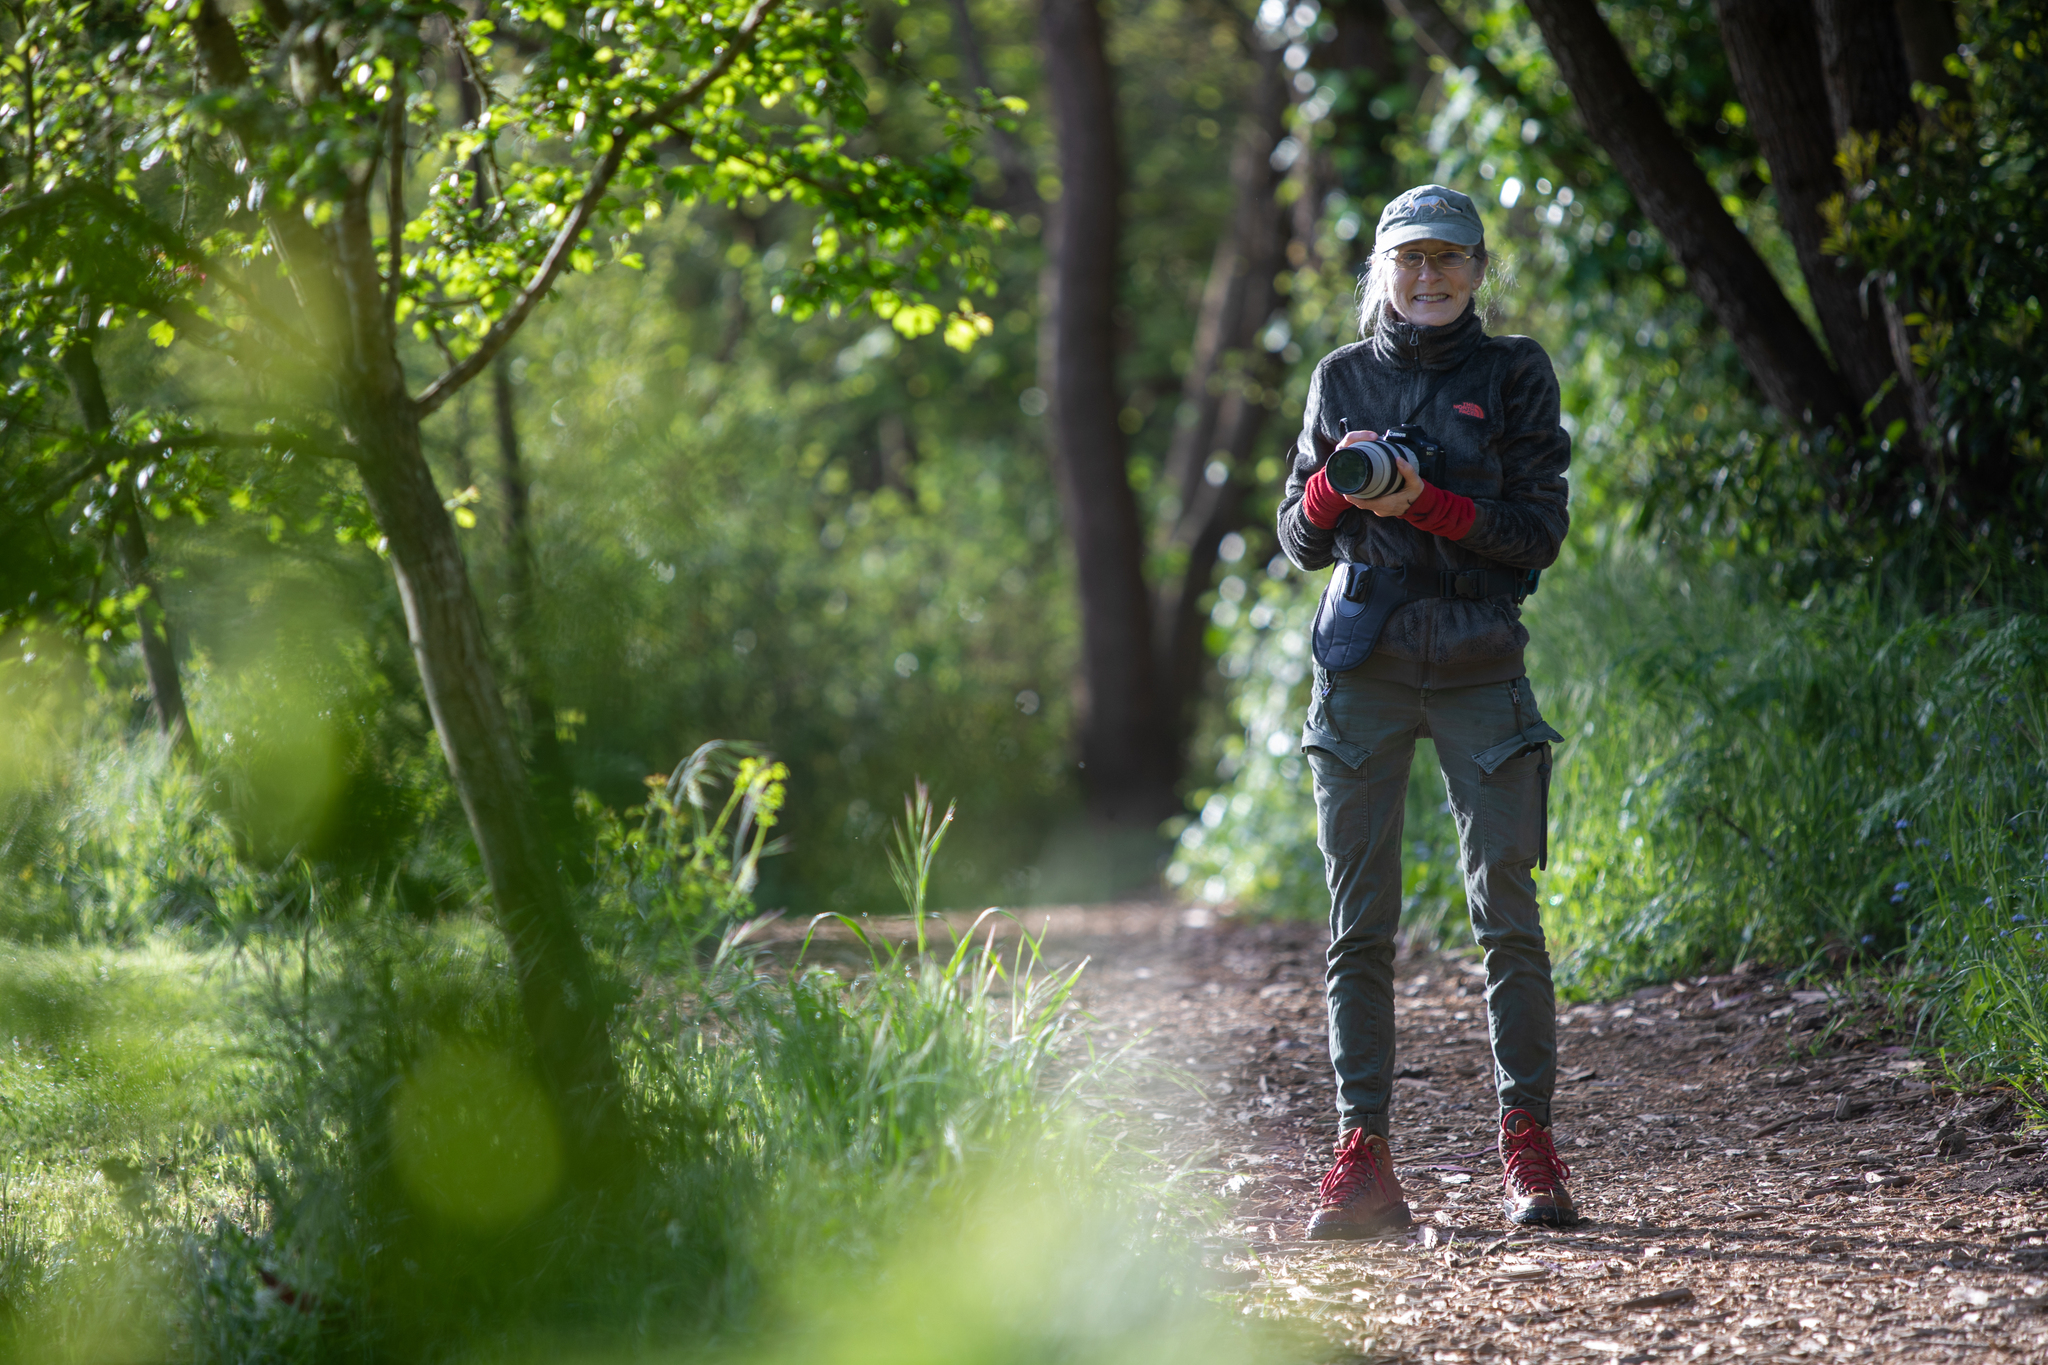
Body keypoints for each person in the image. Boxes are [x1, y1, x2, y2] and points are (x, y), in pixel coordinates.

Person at [1275, 184, 1577, 1237]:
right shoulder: (1340, 377)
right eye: (1408, 260)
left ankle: (1527, 1149)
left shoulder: (1512, 373)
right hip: (1356, 664)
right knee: (1356, 923)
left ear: (1477, 271)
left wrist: (1427, 505)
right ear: (1381, 273)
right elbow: (1297, 537)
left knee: (1505, 909)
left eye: (1447, 258)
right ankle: (1362, 1159)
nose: (1428, 277)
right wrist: (1337, 492)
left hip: (1477, 659)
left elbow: (1536, 533)